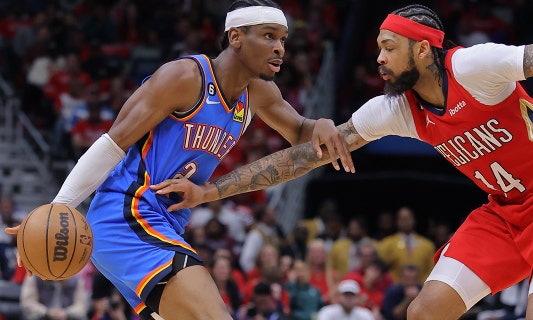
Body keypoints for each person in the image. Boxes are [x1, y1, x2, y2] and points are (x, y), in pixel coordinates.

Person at [151, 3, 533, 319]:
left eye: (389, 48)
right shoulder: (394, 108)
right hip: (503, 210)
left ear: (422, 49)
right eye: (377, 47)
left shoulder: (475, 67)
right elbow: (304, 157)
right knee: (424, 312)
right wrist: (211, 191)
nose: (378, 58)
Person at [5, 1, 354, 319]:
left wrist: (322, 123)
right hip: (127, 215)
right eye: (268, 36)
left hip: (165, 224)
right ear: (235, 37)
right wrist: (60, 206)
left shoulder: (259, 92)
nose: (280, 48)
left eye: (283, 39)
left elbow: (301, 133)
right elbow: (113, 143)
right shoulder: (185, 78)